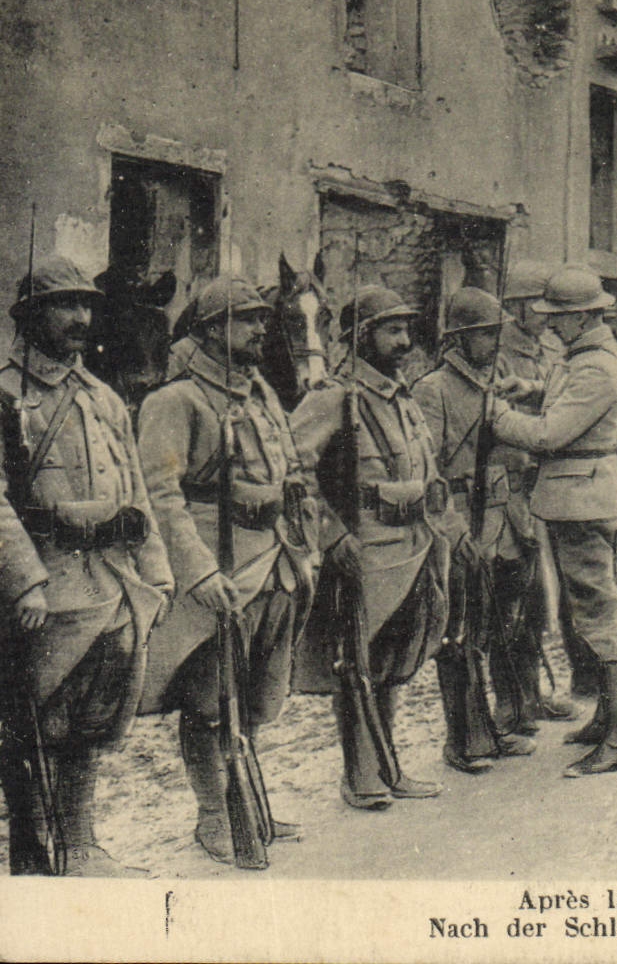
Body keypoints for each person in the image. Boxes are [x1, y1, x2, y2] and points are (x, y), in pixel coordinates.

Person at [0, 257, 173, 876]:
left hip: (110, 581)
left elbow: (137, 492)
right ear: (30, 316)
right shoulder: (6, 391)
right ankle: (36, 848)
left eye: (86, 305)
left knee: (93, 717)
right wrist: (26, 581)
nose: (79, 318)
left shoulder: (102, 396)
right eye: (63, 305)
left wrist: (157, 571)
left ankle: (81, 843)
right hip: (46, 588)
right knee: (40, 719)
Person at [136, 277, 315, 865]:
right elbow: (160, 496)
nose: (261, 329)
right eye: (246, 321)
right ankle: (214, 815)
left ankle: (250, 802)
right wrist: (197, 571)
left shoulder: (259, 391)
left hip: (274, 559)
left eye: (263, 319)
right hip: (219, 568)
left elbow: (289, 467)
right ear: (212, 329)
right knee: (211, 699)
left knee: (258, 692)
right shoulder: (176, 400)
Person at [290, 285, 449, 810]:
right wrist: (332, 535)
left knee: (394, 660)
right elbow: (293, 472)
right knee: (357, 660)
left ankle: (387, 764)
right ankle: (360, 775)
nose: (404, 341)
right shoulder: (334, 396)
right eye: (391, 330)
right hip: (368, 549)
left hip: (415, 541)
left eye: (406, 329)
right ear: (361, 336)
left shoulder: (402, 397)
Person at [489, 268, 617, 776]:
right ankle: (605, 721)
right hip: (579, 499)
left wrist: (497, 415)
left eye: (558, 319)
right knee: (586, 613)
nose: (550, 327)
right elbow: (560, 397)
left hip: (585, 502)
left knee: (599, 616)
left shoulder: (597, 366)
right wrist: (525, 388)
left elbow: (553, 433)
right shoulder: (587, 358)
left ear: (582, 317)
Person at [411, 287, 539, 775]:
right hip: (463, 523)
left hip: (506, 522)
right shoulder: (434, 388)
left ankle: (500, 725)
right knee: (460, 636)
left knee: (496, 629)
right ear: (460, 338)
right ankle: (464, 739)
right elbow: (430, 472)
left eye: (497, 332)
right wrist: (454, 530)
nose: (495, 342)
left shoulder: (498, 382)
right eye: (486, 334)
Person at [491, 263, 582, 723]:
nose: (545, 315)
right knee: (516, 595)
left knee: (545, 596)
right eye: (535, 306)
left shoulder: (548, 349)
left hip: (542, 484)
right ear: (515, 307)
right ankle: (513, 702)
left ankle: (534, 691)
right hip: (510, 488)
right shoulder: (495, 352)